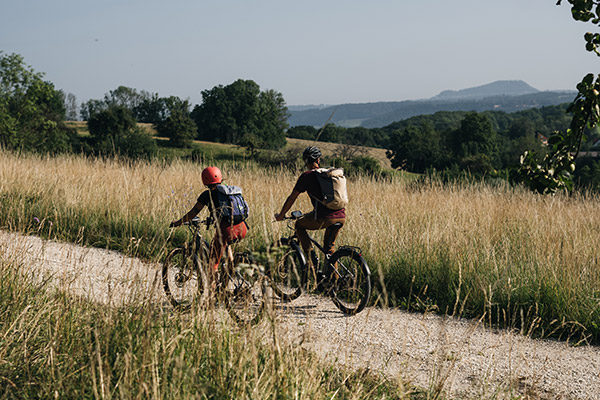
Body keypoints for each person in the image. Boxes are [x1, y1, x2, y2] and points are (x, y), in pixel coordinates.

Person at [274, 146, 346, 269]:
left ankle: (311, 259)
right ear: (318, 160)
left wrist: (281, 215)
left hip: (324, 217)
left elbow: (292, 198)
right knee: (330, 249)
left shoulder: (306, 176)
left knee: (299, 225)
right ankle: (333, 283)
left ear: (305, 161)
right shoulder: (328, 175)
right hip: (341, 216)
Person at [170, 166, 248, 274]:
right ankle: (230, 271)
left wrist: (178, 222)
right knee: (226, 246)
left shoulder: (207, 195)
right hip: (242, 228)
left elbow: (193, 213)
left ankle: (213, 290)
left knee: (212, 265)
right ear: (220, 177)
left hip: (226, 231)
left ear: (204, 180)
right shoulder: (229, 192)